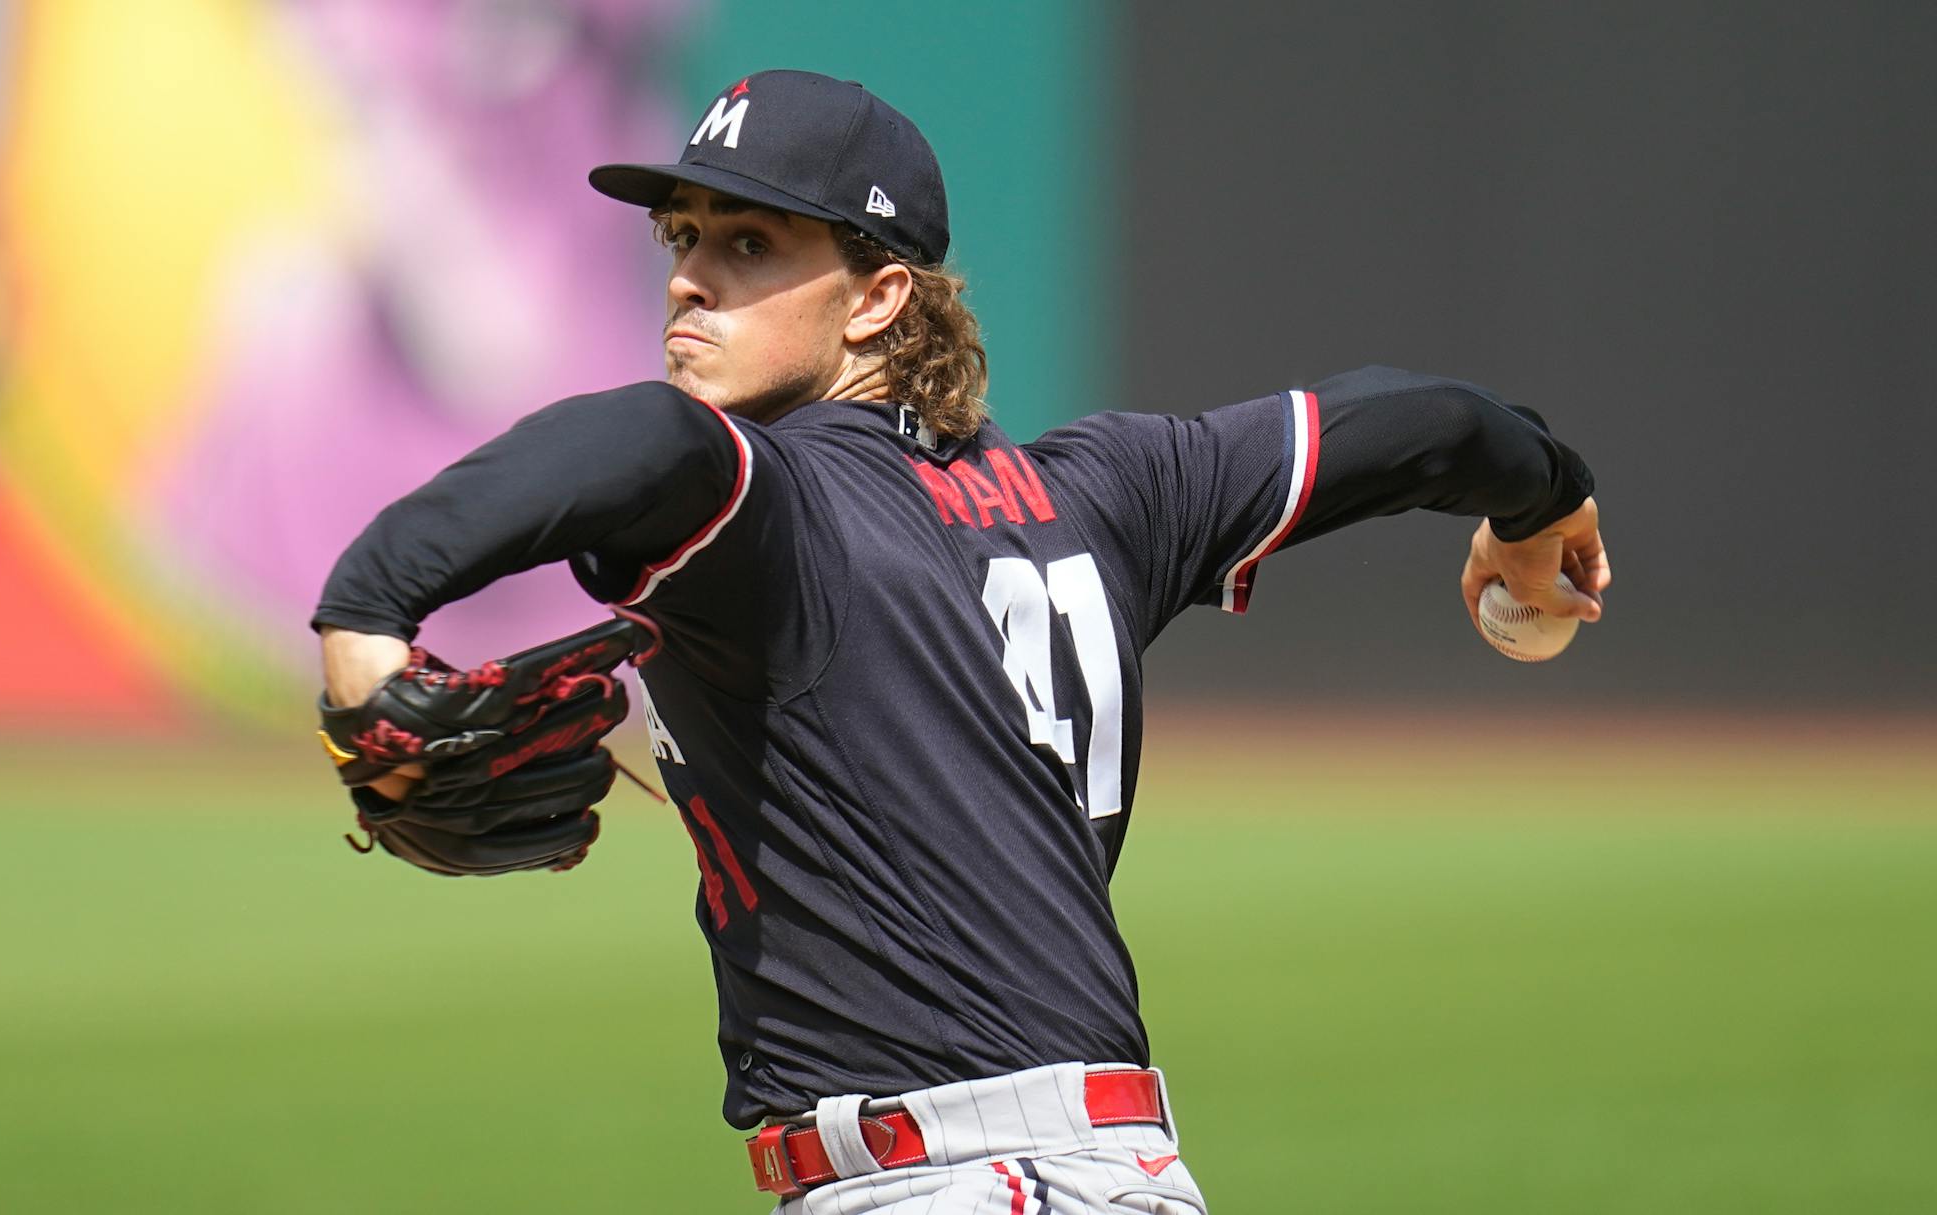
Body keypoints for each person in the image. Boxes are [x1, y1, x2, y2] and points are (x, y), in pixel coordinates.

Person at [312, 70, 1609, 1212]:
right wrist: (1540, 501)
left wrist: (368, 615)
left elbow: (635, 442)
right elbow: (1422, 422)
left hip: (944, 1184)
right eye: (684, 234)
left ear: (880, 299)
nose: (691, 276)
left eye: (752, 242)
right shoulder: (1110, 493)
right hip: (1116, 1175)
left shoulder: (770, 502)